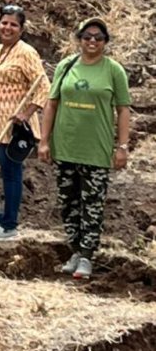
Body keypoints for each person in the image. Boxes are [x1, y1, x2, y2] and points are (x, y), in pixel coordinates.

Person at [39, 17, 131, 279]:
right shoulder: (66, 66)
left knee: (92, 204)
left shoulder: (113, 70)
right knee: (69, 202)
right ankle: (75, 251)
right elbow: (52, 104)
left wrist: (122, 147)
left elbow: (123, 110)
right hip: (66, 146)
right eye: (87, 36)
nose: (92, 41)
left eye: (98, 38)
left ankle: (87, 256)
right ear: (79, 39)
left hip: (97, 150)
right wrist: (44, 140)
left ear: (105, 42)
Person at [0, 6, 50, 241]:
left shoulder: (27, 53)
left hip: (13, 128)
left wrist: (27, 112)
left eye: (13, 24)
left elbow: (44, 87)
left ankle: (9, 225)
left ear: (21, 29)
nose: (7, 28)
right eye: (4, 23)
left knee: (10, 173)